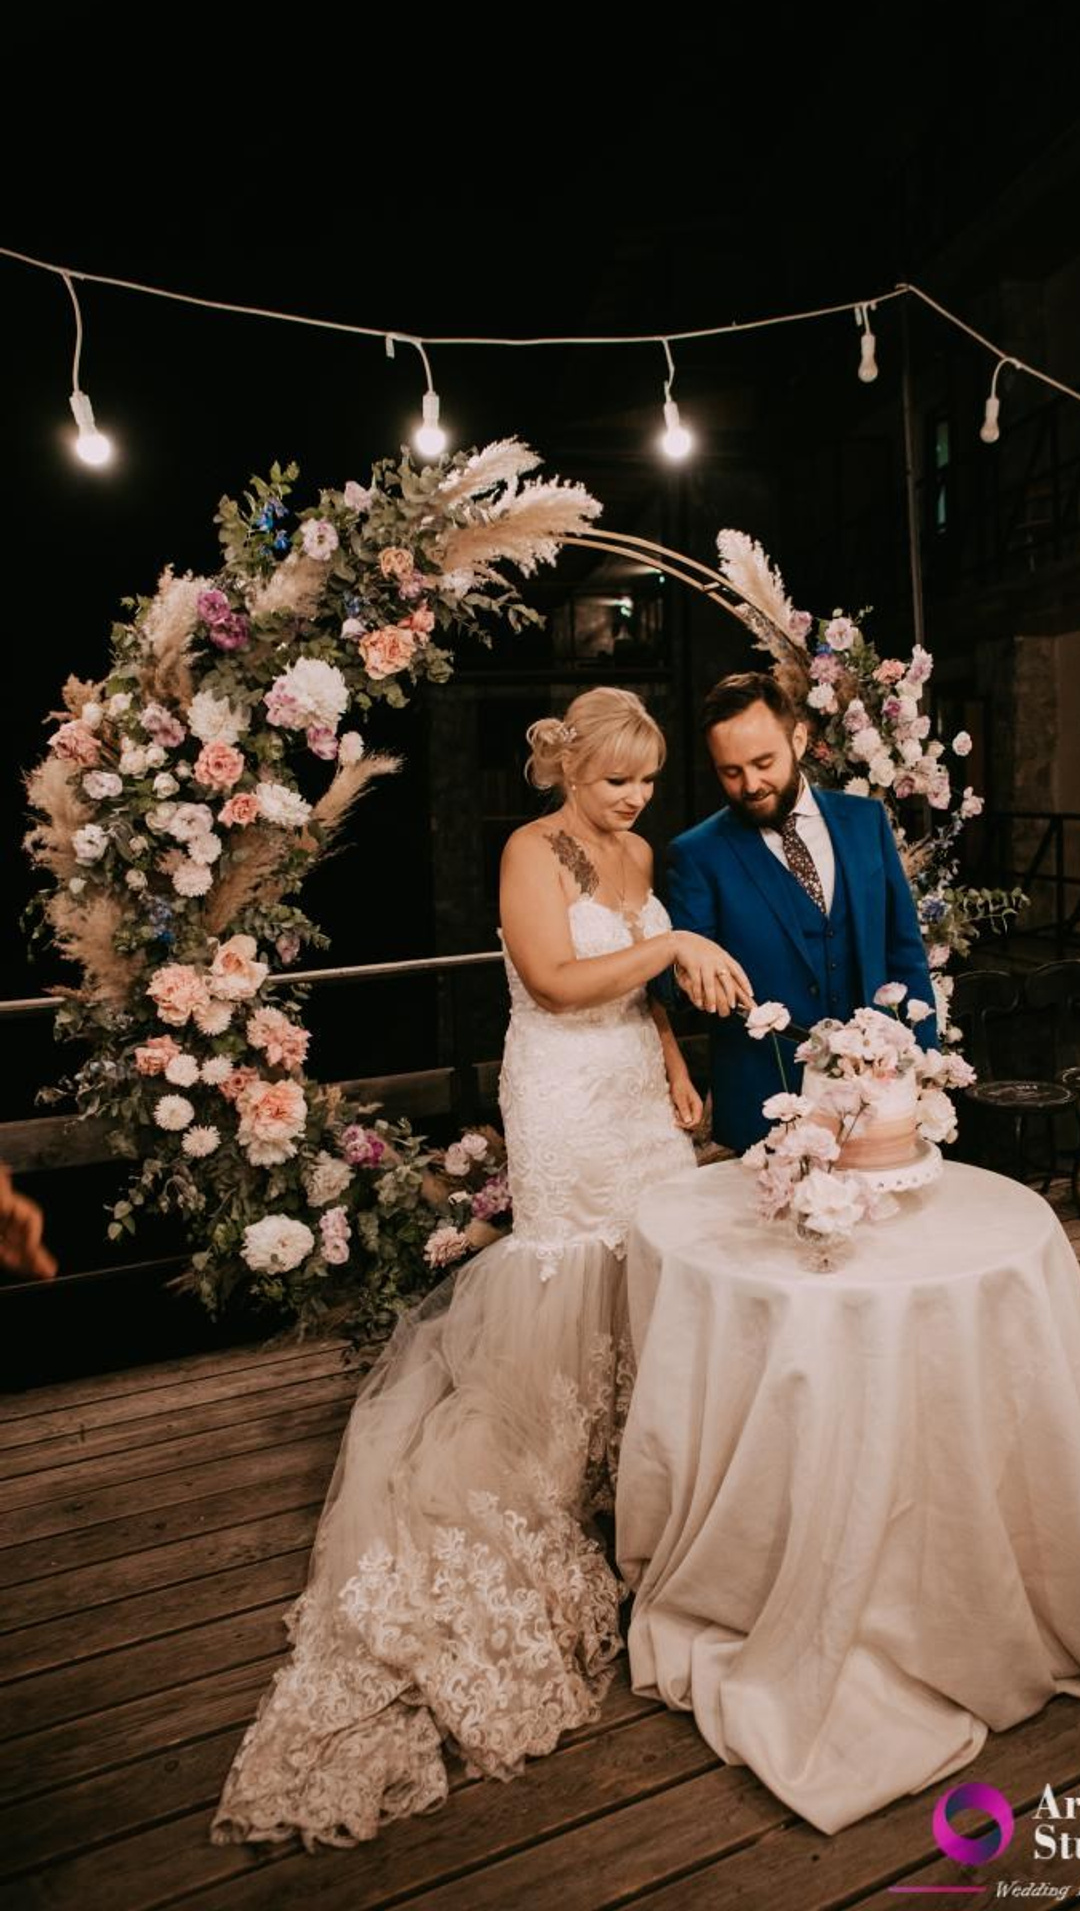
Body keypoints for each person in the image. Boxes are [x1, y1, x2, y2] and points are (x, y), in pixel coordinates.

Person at [211, 686, 752, 1851]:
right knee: (568, 1272)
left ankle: (639, 1476)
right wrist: (672, 945)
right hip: (560, 1096)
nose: (635, 799)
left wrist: (671, 1059)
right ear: (569, 771)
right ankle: (554, 1477)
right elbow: (555, 980)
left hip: (632, 1089)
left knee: (649, 1268)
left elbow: (635, 984)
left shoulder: (636, 853)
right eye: (616, 780)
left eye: (647, 781)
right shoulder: (529, 851)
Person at [661, 672, 939, 1155]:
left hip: (877, 1097)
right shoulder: (697, 854)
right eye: (731, 772)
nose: (750, 785)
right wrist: (686, 975)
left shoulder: (865, 822)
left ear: (799, 740)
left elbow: (904, 954)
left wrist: (924, 1071)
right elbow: (677, 982)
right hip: (764, 1109)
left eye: (763, 762)